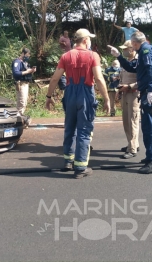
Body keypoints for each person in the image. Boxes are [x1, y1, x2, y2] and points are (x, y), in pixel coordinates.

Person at [45, 28, 110, 179]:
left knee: (70, 127)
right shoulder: (93, 55)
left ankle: (68, 161)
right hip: (86, 93)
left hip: (70, 93)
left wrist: (49, 96)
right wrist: (107, 99)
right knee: (84, 130)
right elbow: (99, 78)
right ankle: (80, 167)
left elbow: (55, 78)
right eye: (90, 39)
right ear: (86, 40)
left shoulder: (66, 56)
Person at [108, 31, 152, 174]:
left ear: (134, 43)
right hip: (149, 91)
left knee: (150, 127)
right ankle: (151, 156)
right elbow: (133, 68)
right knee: (147, 126)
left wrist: (151, 89)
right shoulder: (145, 51)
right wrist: (119, 56)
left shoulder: (145, 50)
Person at [117, 40, 140, 159]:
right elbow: (122, 77)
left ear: (131, 49)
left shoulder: (138, 61)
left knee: (133, 121)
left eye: (125, 49)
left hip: (134, 94)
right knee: (126, 121)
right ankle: (132, 144)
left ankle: (132, 149)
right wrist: (120, 89)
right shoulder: (126, 62)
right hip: (125, 93)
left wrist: (129, 86)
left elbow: (142, 80)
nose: (123, 51)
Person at [11, 47, 36, 127]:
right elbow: (16, 73)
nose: (28, 57)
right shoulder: (17, 62)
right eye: (27, 55)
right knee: (21, 103)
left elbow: (27, 73)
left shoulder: (25, 63)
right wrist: (27, 71)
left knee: (24, 103)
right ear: (23, 53)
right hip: (20, 84)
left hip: (26, 84)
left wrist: (31, 71)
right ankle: (17, 122)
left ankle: (21, 121)